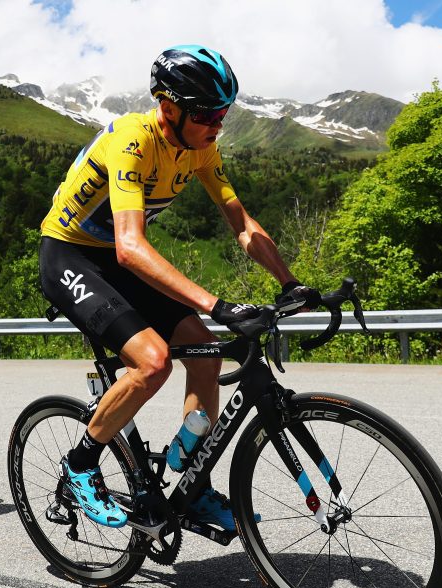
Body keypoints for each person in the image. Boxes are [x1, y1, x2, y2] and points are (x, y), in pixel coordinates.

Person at [39, 45, 315, 530]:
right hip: (70, 255)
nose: (218, 125)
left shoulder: (202, 148)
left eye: (224, 114)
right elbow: (129, 246)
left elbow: (242, 223)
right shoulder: (133, 139)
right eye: (209, 114)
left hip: (116, 260)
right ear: (169, 107)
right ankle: (80, 464)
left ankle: (192, 477)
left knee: (206, 352)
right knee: (153, 362)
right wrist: (218, 304)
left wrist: (290, 282)